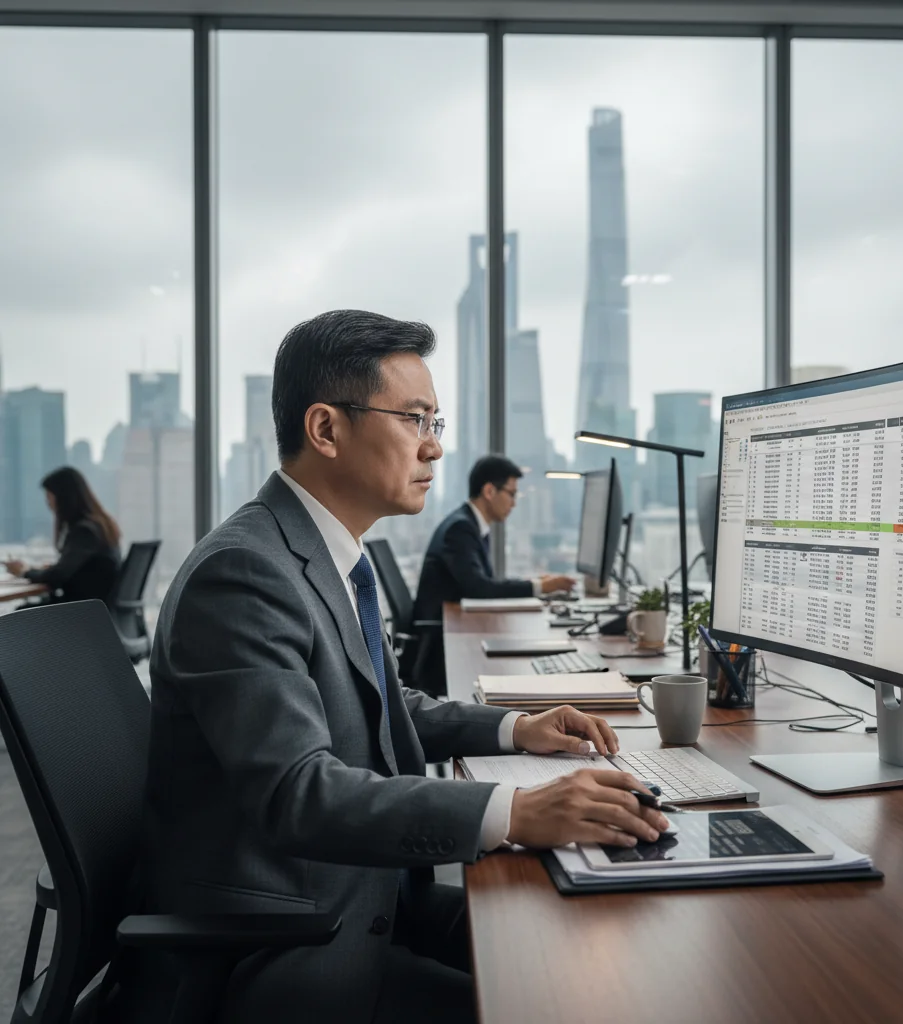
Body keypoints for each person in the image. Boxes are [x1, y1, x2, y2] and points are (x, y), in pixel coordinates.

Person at [134, 310, 668, 1024]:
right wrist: (518, 808)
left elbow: (388, 704)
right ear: (326, 430)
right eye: (416, 419)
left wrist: (517, 729)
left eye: (436, 423)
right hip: (290, 948)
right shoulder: (244, 574)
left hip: (368, 898)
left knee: (605, 946)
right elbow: (300, 793)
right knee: (572, 994)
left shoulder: (326, 554)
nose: (435, 449)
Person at [413, 454, 576, 622]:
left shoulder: (472, 525)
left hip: (455, 623)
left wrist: (534, 582)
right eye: (511, 494)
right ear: (489, 491)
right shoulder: (460, 529)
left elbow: (485, 583)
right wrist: (540, 587)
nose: (514, 504)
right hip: (438, 635)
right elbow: (479, 589)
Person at [3, 466, 121, 604]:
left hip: (82, 611)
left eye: (49, 497)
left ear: (64, 498)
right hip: (93, 610)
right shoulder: (100, 526)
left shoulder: (84, 531)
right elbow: (73, 570)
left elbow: (57, 577)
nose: (48, 504)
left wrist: (24, 572)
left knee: (16, 618)